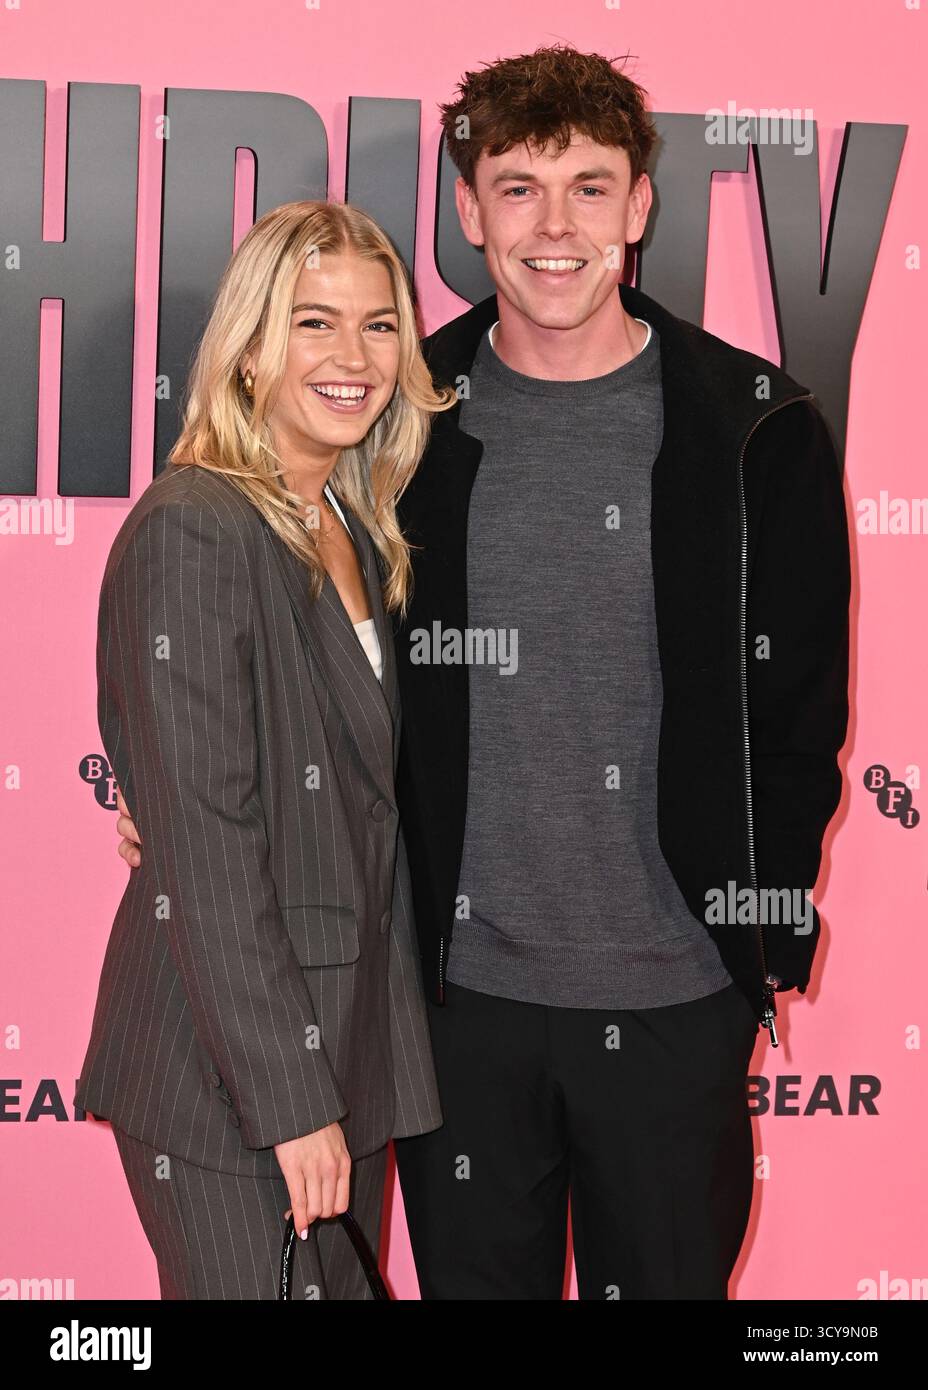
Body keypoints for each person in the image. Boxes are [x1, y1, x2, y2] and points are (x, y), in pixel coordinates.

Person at [115, 46, 851, 1301]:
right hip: (454, 1011)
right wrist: (177, 799)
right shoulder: (402, 420)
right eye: (516, 188)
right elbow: (290, 646)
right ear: (466, 210)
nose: (553, 226)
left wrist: (755, 943)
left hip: (676, 1005)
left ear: (638, 207)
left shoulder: (755, 426)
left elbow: (796, 719)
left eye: (587, 186)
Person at [75, 198, 455, 1300]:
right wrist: (292, 1102)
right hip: (229, 1075)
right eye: (314, 323)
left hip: (343, 1051)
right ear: (249, 350)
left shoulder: (348, 518)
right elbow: (208, 844)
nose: (355, 357)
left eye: (380, 325)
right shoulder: (196, 524)